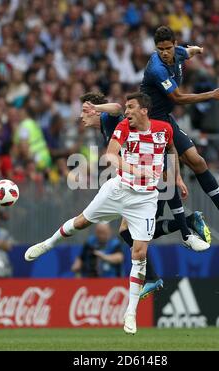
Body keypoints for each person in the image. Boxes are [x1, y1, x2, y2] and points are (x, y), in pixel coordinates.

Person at [25, 92, 196, 334]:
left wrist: (177, 176)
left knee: (140, 252)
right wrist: (132, 169)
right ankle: (48, 243)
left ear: (144, 110)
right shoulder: (124, 126)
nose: (126, 112)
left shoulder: (164, 129)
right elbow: (110, 155)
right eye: (126, 108)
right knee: (82, 222)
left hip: (145, 199)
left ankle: (131, 312)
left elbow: (170, 150)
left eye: (131, 107)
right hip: (118, 189)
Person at [80, 91, 210, 299]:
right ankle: (185, 225)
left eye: (84, 111)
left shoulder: (109, 118)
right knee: (128, 232)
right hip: (138, 181)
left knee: (129, 232)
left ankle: (183, 231)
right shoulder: (108, 128)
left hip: (148, 178)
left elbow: (115, 108)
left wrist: (98, 108)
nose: (81, 116)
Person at [140, 25, 219, 237]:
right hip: (150, 125)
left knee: (198, 162)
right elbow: (178, 98)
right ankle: (184, 232)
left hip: (166, 120)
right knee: (168, 179)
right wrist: (211, 94)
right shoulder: (157, 69)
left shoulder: (178, 53)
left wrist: (199, 49)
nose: (164, 53)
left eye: (167, 48)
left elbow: (188, 51)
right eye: (160, 49)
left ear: (174, 45)